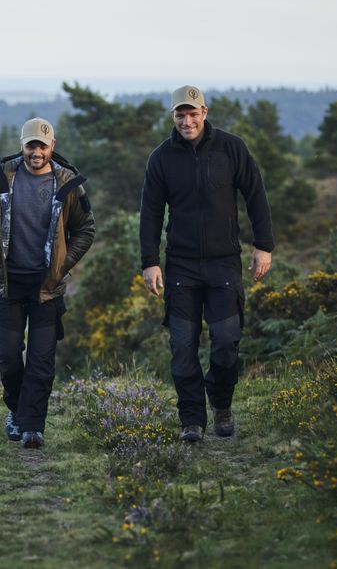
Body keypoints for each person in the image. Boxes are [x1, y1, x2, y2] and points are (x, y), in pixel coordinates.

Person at [139, 85, 274, 443]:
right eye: (180, 115)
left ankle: (222, 405)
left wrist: (264, 245)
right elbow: (151, 213)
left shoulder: (231, 148)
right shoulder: (161, 158)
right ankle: (192, 420)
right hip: (181, 267)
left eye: (192, 113)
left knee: (226, 342)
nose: (187, 120)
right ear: (173, 117)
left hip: (224, 264)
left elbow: (255, 194)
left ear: (205, 112)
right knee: (182, 346)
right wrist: (150, 262)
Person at [0, 117, 95, 449]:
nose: (36, 151)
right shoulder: (1, 177)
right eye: (30, 145)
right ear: (22, 145)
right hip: (9, 286)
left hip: (47, 289)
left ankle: (32, 426)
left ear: (52, 146)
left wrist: (63, 265)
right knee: (8, 356)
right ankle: (16, 411)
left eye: (42, 145)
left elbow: (86, 228)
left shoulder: (68, 183)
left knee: (41, 360)